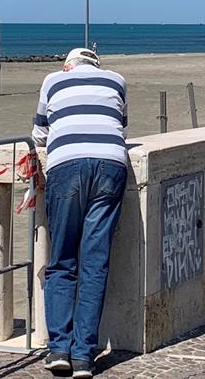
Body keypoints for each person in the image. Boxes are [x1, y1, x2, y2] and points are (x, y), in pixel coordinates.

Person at [32, 48, 128, 378]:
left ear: (66, 67)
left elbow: (39, 135)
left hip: (66, 168)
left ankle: (59, 348)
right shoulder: (117, 80)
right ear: (97, 67)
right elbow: (121, 126)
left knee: (61, 260)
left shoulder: (53, 81)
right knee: (94, 262)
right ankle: (84, 356)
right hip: (111, 165)